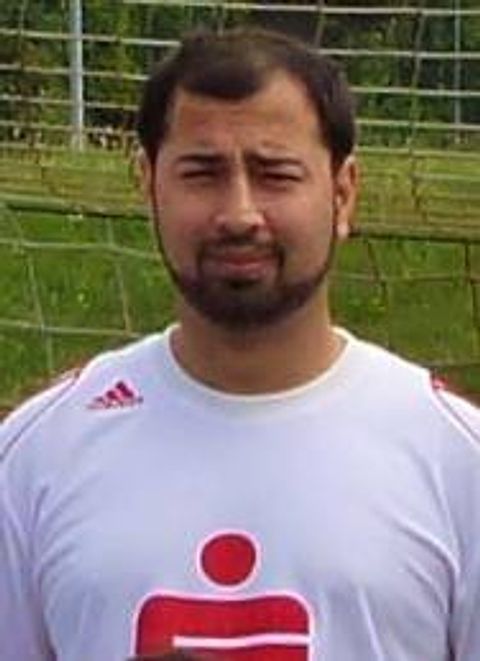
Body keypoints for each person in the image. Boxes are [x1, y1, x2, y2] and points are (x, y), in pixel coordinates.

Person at [1, 27, 479, 661]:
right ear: (148, 184)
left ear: (342, 194)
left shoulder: (456, 460)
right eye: (202, 174)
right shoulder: (35, 456)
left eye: (275, 174)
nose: (239, 214)